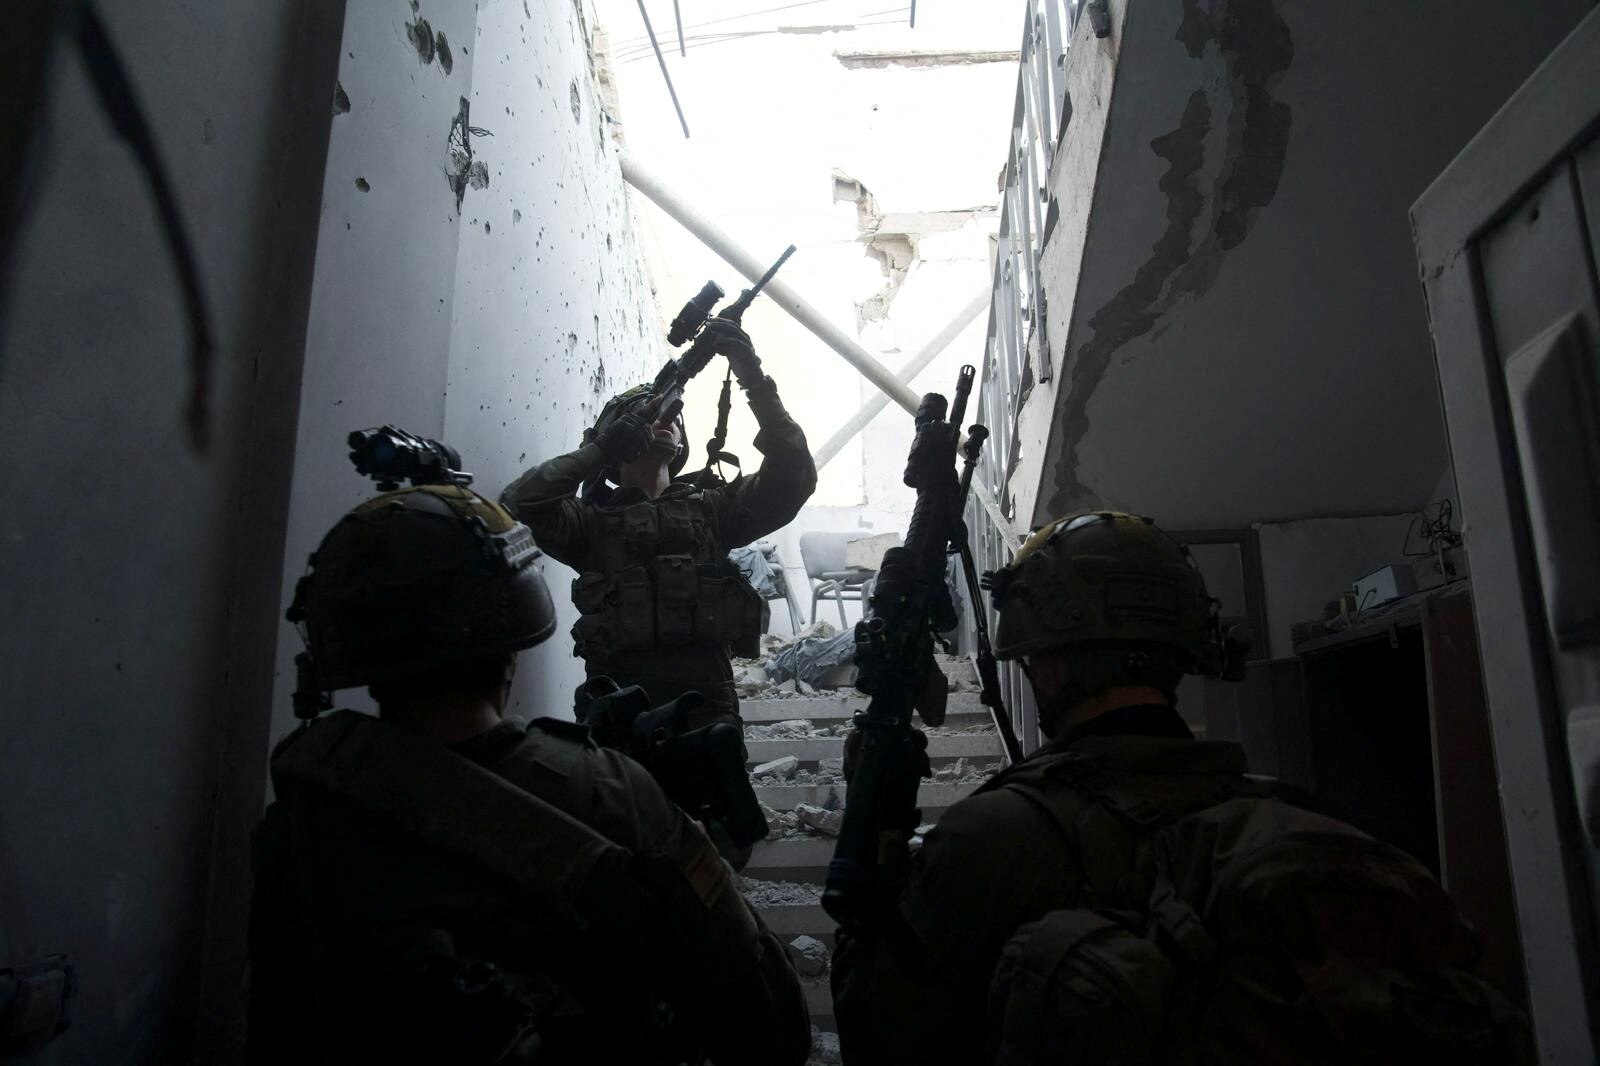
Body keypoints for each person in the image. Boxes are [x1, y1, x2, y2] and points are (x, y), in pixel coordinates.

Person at [831, 511, 1528, 1066]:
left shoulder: (991, 840)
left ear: (1042, 665)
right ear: (1185, 652)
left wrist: (872, 839)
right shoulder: (1290, 815)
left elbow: (877, 1032)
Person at [250, 479, 810, 1065]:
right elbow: (773, 1024)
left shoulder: (305, 809)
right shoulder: (612, 794)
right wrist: (690, 848)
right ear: (513, 629)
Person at [500, 320, 816, 858]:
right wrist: (600, 451)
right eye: (648, 418)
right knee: (626, 856)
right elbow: (520, 503)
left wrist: (753, 377)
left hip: (706, 702)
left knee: (718, 852)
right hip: (619, 707)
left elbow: (794, 477)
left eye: (672, 414)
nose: (666, 420)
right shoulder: (591, 523)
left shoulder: (713, 509)